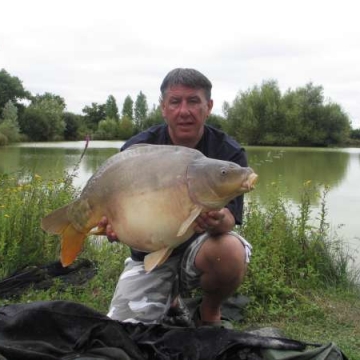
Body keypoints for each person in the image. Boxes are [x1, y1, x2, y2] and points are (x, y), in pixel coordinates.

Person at [102, 68, 252, 327]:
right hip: (149, 254)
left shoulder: (228, 155)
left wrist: (217, 220)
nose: (184, 111)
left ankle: (210, 311)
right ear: (163, 107)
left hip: (200, 250)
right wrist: (113, 226)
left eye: (193, 101)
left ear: (209, 107)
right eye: (175, 101)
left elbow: (229, 220)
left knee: (230, 251)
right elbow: (120, 215)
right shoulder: (137, 151)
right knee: (124, 331)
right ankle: (167, 298)